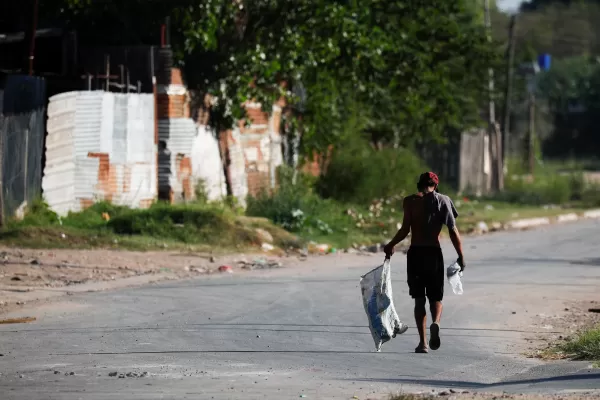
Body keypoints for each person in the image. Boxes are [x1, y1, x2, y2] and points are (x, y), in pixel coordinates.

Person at [383, 172, 465, 354]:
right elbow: (453, 231)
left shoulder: (410, 202)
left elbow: (405, 229)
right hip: (433, 253)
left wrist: (391, 244)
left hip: (416, 254)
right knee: (436, 297)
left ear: (418, 185)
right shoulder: (443, 200)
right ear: (435, 186)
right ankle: (435, 323)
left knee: (419, 300)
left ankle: (423, 344)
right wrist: (461, 256)